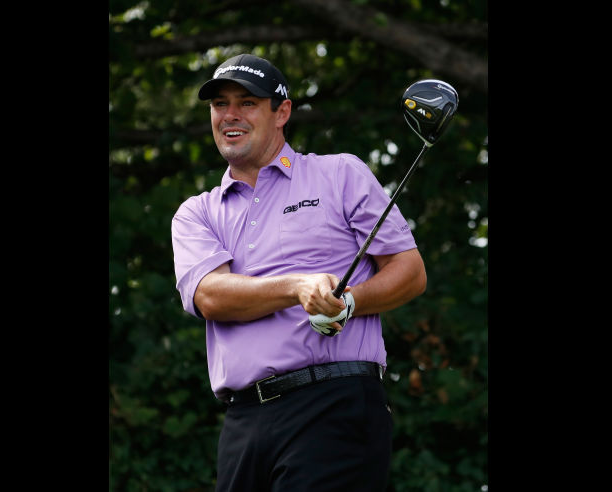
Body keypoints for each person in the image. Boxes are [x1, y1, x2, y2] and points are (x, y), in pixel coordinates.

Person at [171, 53, 427, 492]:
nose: (230, 115)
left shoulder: (339, 174)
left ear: (281, 112)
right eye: (219, 104)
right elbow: (211, 296)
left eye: (247, 102)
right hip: (244, 420)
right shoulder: (197, 212)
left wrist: (350, 302)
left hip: (334, 404)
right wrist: (297, 286)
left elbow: (410, 270)